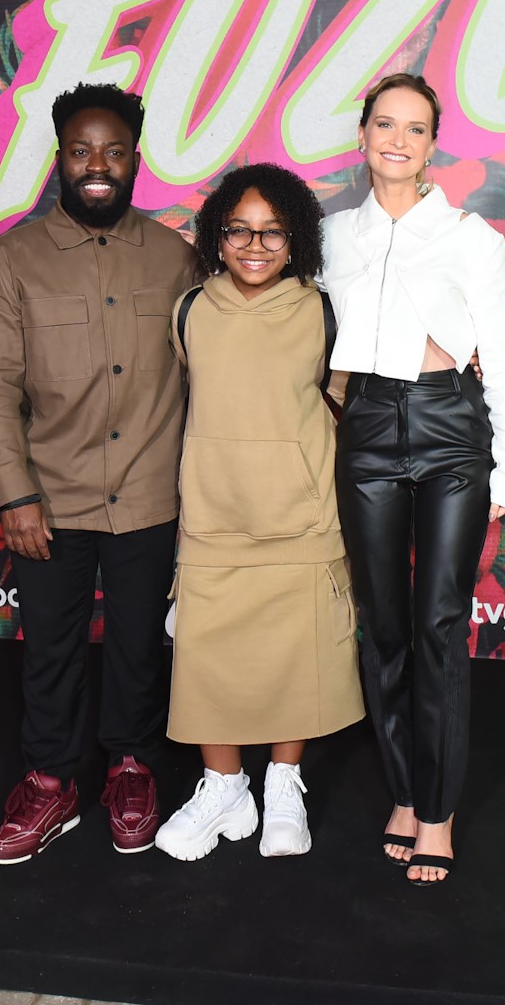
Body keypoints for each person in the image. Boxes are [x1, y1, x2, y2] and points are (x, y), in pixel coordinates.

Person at [0, 82, 201, 864]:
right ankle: (50, 782)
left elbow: (208, 374)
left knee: (140, 644)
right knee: (52, 649)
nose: (96, 165)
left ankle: (132, 769)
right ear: (60, 158)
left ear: (136, 159)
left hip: (149, 494)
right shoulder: (14, 259)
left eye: (113, 151)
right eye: (80, 151)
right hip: (50, 501)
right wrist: (18, 494)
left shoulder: (176, 257)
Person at [321, 72, 505, 885]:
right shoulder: (333, 236)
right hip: (366, 429)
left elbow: (502, 360)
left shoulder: (471, 238)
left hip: (450, 432)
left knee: (439, 622)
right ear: (363, 136)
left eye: (414, 128)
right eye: (384, 124)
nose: (397, 140)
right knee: (383, 626)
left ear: (433, 144)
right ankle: (403, 791)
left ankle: (437, 811)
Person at [153, 163, 364, 862]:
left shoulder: (323, 311)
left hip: (298, 519)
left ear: (296, 239)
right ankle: (223, 785)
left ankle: (282, 784)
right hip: (213, 519)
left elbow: (343, 408)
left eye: (273, 232)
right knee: (208, 660)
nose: (254, 244)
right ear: (215, 236)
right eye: (239, 229)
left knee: (294, 659)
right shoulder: (189, 312)